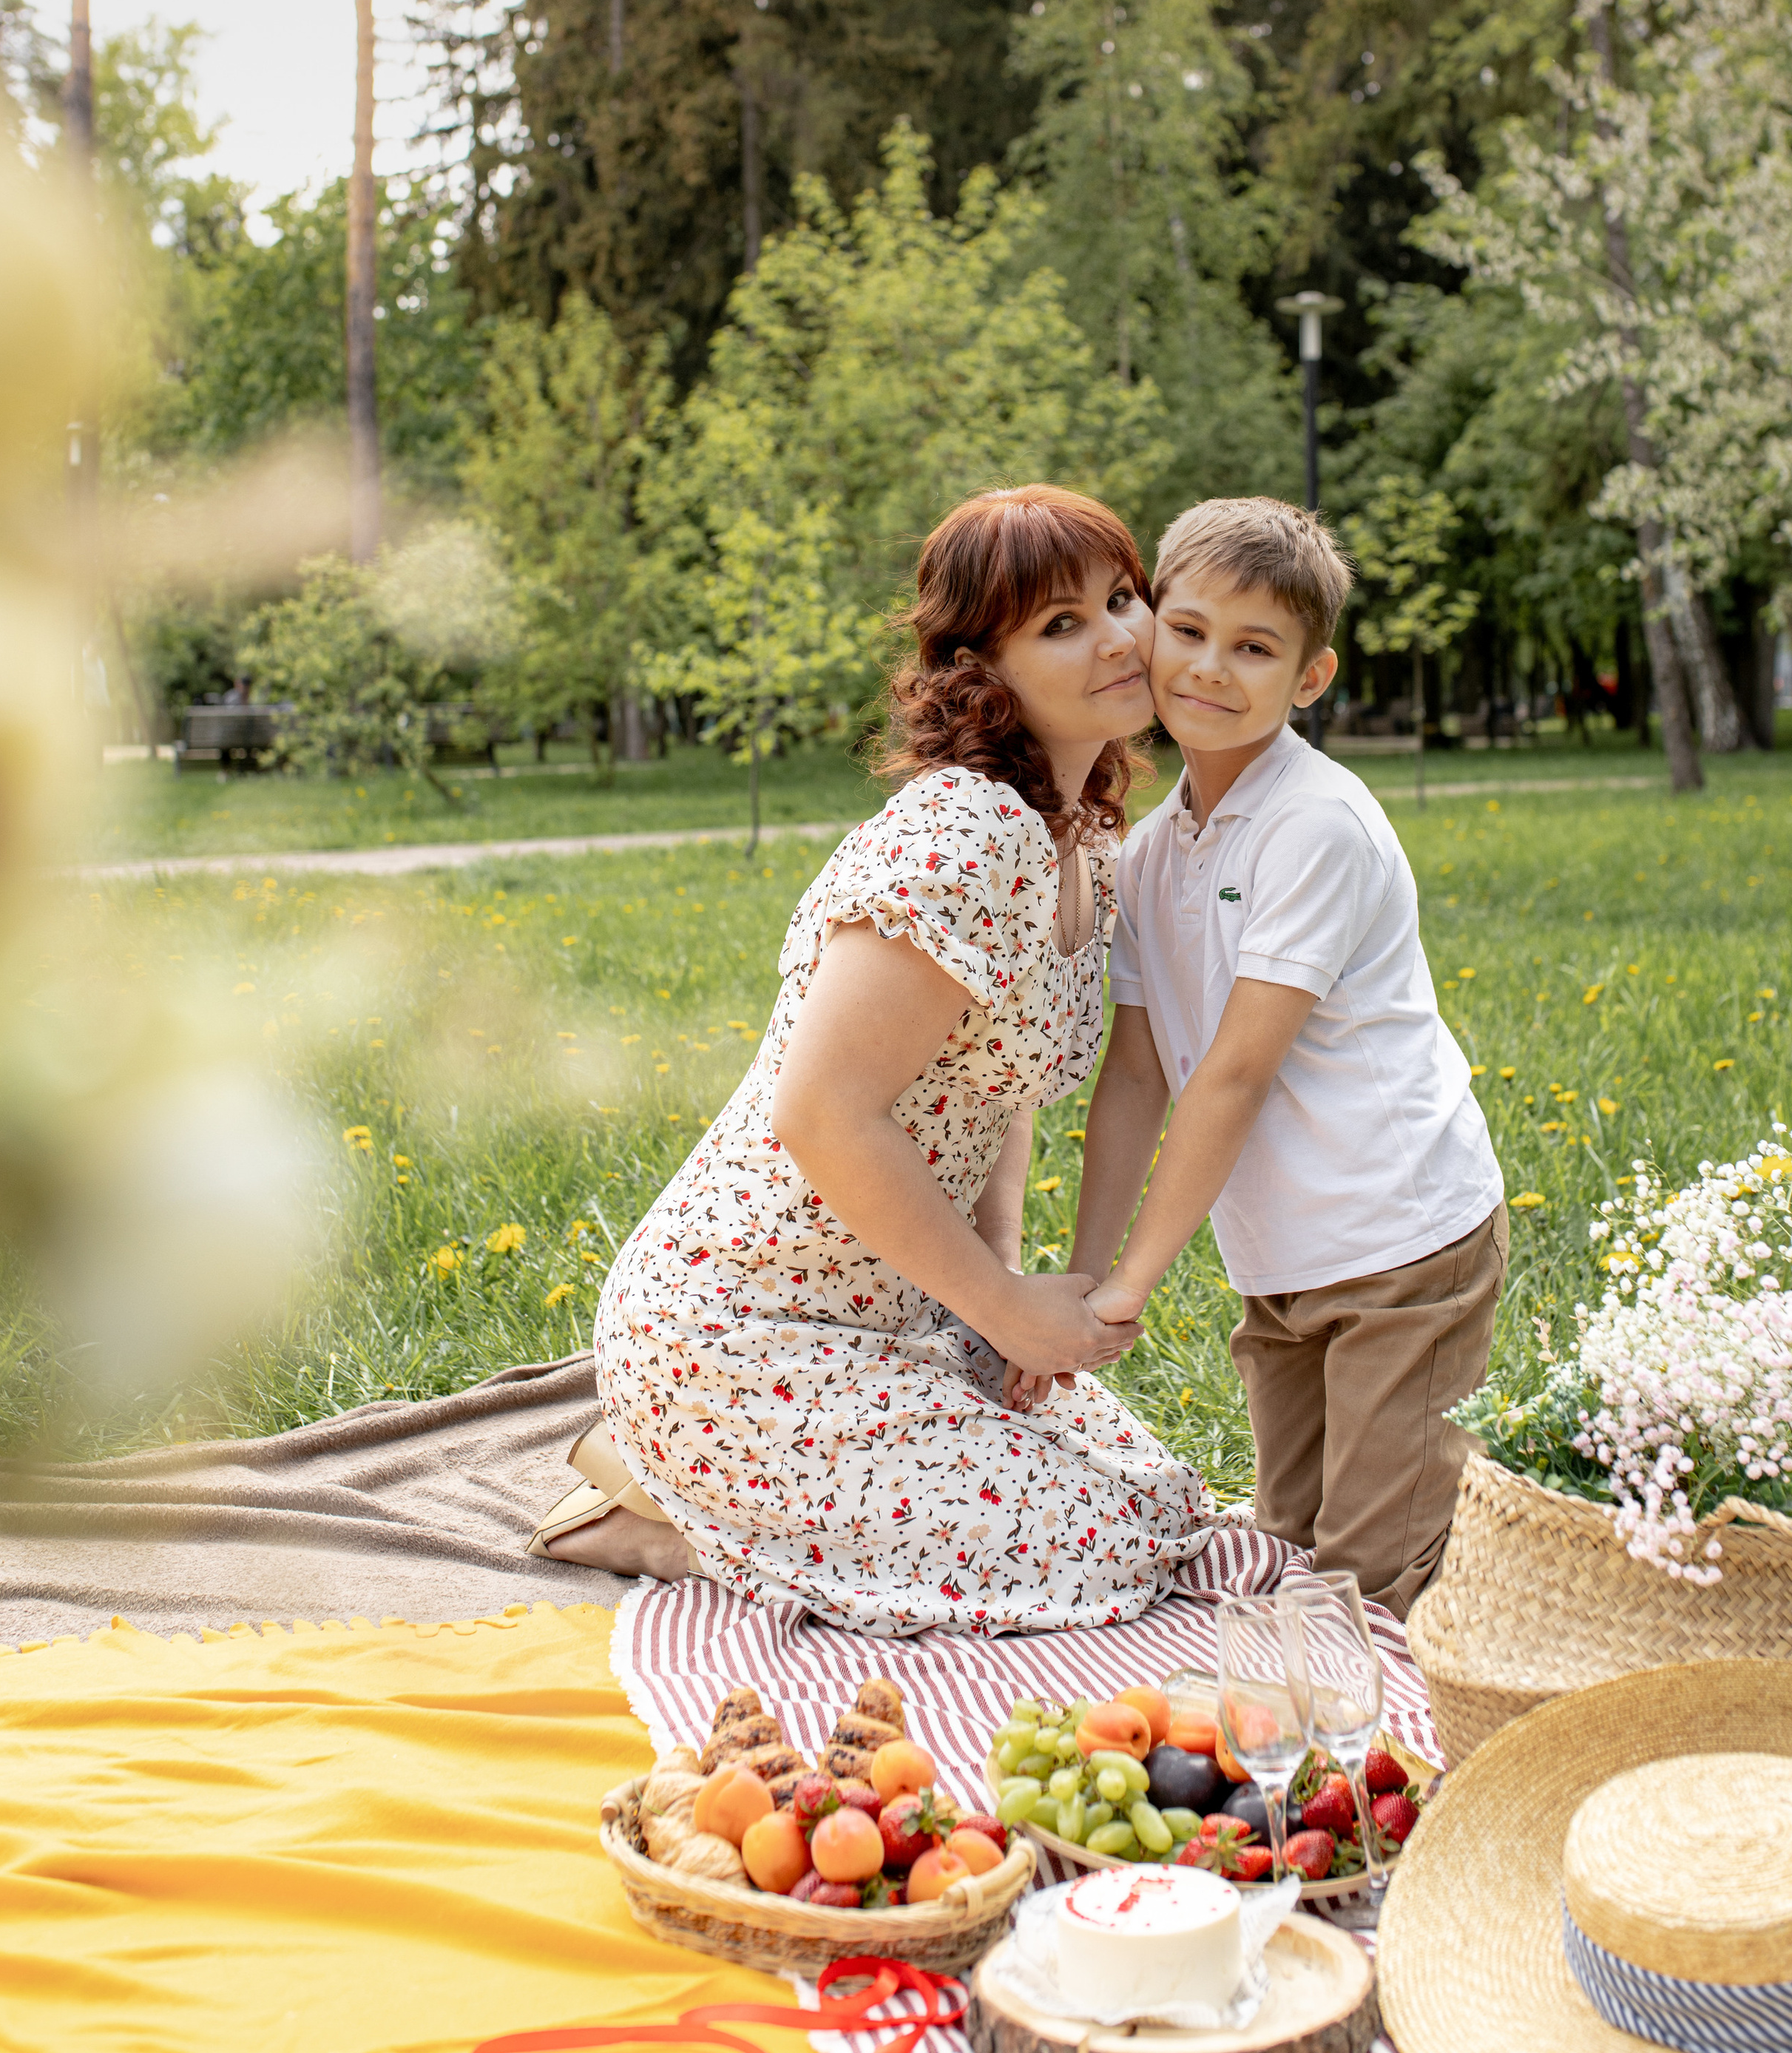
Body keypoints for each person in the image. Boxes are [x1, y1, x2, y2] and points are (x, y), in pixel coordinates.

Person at [532, 485, 1215, 1632]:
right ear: (979, 669)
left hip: (897, 1311)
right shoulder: (964, 833)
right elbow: (822, 1114)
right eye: (1059, 624)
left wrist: (995, 1313)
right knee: (1098, 1558)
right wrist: (1000, 1300)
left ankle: (717, 1492)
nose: (1117, 638)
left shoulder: (1086, 838)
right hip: (739, 1333)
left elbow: (1003, 1085)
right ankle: (670, 1512)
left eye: (1123, 599)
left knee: (1162, 1507)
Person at [1062, 496, 1505, 1622]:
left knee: (1369, 1582)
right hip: (1281, 1263)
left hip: (1400, 1242)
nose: (1211, 668)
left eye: (1254, 648)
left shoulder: (1317, 826)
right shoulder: (1152, 849)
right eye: (1191, 629)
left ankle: (1388, 1780)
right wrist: (1083, 1275)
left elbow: (1233, 1074)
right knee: (1285, 1549)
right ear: (1151, 626)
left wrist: (1135, 1284)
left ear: (1310, 678)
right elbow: (1137, 1070)